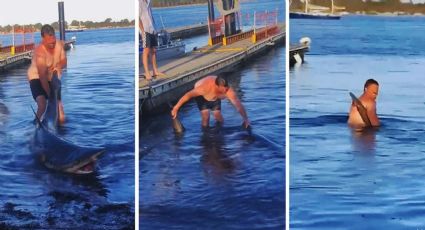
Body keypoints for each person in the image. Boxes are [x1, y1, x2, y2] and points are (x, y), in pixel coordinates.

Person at [171, 75, 250, 128]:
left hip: (214, 97)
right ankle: (205, 135)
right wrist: (176, 107)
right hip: (202, 96)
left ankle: (219, 134)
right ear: (217, 86)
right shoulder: (204, 88)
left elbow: (238, 105)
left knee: (218, 117)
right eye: (223, 89)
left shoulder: (228, 90)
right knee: (206, 117)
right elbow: (187, 96)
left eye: (226, 89)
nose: (225, 91)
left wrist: (245, 119)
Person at [28, 24, 67, 124]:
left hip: (51, 76)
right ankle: (35, 126)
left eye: (53, 41)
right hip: (36, 77)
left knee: (59, 106)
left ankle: (62, 130)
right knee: (42, 104)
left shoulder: (59, 44)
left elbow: (64, 61)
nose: (52, 44)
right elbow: (42, 77)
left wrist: (59, 66)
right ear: (42, 38)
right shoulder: (40, 52)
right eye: (48, 42)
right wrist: (50, 95)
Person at [139, 0, 164, 81]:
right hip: (145, 30)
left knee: (153, 50)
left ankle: (155, 71)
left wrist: (155, 28)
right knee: (146, 51)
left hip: (152, 29)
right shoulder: (139, 2)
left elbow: (151, 15)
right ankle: (147, 73)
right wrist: (142, 31)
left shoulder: (149, 1)